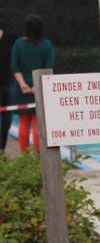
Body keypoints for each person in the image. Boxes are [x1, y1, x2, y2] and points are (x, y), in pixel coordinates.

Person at [11, 15, 54, 153]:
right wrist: (37, 87)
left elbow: (14, 66)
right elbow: (49, 68)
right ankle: (37, 156)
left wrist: (23, 84)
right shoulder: (47, 45)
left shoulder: (18, 44)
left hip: (21, 88)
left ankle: (24, 155)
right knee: (38, 123)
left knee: (23, 122)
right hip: (40, 86)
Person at [0, 22, 17, 152]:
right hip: (7, 84)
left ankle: (2, 148)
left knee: (7, 117)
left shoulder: (11, 37)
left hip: (7, 83)